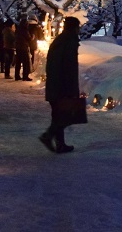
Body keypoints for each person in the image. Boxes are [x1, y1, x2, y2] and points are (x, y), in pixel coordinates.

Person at [39, 16, 81, 153]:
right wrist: (71, 90)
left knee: (59, 115)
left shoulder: (62, 40)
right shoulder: (68, 42)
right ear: (74, 27)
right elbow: (68, 68)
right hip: (62, 86)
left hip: (57, 84)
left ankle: (57, 141)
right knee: (61, 114)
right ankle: (52, 138)